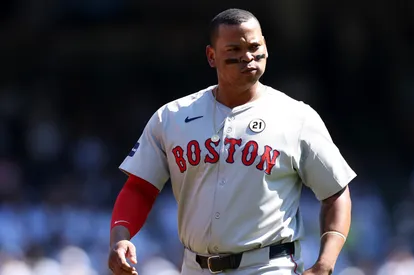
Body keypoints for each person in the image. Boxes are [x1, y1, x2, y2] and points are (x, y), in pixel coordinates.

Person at [107, 8, 356, 275]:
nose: (247, 56)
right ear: (211, 56)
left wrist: (325, 264)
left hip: (268, 265)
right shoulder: (172, 117)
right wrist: (120, 238)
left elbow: (335, 193)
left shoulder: (297, 117)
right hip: (195, 267)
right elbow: (140, 188)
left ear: (266, 47)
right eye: (234, 48)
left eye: (254, 46)